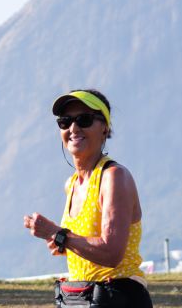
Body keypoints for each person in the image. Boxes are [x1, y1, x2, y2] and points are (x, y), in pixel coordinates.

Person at [23, 89, 152, 307]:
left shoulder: (114, 177)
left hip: (120, 297)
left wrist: (58, 234)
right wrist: (60, 241)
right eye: (65, 122)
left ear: (105, 128)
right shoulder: (72, 184)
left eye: (84, 119)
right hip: (82, 297)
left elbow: (111, 253)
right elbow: (84, 240)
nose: (73, 128)